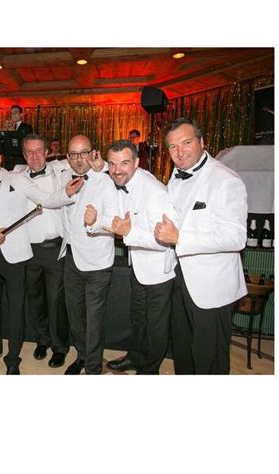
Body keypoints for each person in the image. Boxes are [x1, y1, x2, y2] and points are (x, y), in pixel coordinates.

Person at [0, 142, 82, 374]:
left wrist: (66, 193)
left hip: (17, 253)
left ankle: (13, 358)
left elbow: (46, 199)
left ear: (0, 158)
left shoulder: (17, 178)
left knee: (18, 308)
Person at [154, 117, 248, 374]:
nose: (179, 151)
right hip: (180, 279)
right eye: (173, 146)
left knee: (209, 361)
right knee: (183, 353)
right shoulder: (176, 177)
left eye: (186, 142)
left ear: (202, 142)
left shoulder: (225, 180)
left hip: (212, 287)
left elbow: (236, 237)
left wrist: (180, 238)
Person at [97, 139, 175, 374]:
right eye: (112, 164)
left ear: (137, 162)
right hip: (138, 266)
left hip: (158, 272)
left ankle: (150, 370)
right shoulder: (123, 182)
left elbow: (164, 241)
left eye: (124, 163)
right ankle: (136, 357)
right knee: (138, 319)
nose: (116, 170)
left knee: (155, 326)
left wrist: (128, 232)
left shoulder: (155, 192)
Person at [60, 135, 119, 375]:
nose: (79, 159)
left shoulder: (105, 181)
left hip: (97, 261)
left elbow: (114, 220)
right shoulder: (64, 178)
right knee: (75, 314)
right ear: (67, 157)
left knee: (94, 319)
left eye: (84, 152)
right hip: (71, 257)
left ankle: (93, 368)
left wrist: (95, 221)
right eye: (74, 154)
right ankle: (82, 356)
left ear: (93, 153)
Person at [15, 133, 70, 368]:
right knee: (34, 298)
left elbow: (86, 162)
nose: (35, 156)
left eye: (39, 150)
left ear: (47, 152)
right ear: (24, 155)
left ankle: (59, 346)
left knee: (56, 301)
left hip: (54, 248)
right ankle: (42, 339)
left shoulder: (61, 170)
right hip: (28, 249)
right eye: (30, 152)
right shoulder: (16, 177)